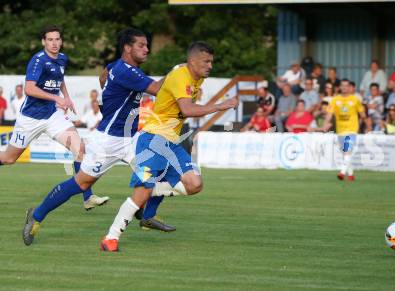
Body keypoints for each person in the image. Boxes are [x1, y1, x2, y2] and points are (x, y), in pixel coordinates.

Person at [21, 28, 167, 246]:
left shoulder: (115, 67)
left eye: (147, 45)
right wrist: (178, 72)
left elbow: (104, 76)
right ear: (128, 48)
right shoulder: (128, 72)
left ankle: (146, 216)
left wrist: (111, 98)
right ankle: (37, 215)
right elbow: (158, 89)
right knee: (80, 183)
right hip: (108, 140)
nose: (147, 49)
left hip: (132, 138)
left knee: (159, 167)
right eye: (141, 45)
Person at [99, 41, 238, 252]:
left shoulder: (195, 78)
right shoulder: (181, 77)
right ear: (192, 61)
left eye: (211, 61)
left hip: (170, 142)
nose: (210, 65)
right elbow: (187, 109)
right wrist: (220, 106)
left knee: (194, 184)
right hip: (153, 140)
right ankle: (111, 237)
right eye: (206, 61)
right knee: (140, 195)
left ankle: (151, 190)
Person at [0, 25, 107, 211]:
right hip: (30, 118)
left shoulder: (62, 59)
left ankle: (87, 198)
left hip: (52, 115)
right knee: (9, 159)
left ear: (61, 41)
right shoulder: (38, 60)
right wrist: (56, 97)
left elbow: (60, 78)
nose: (54, 43)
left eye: (57, 39)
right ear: (43, 41)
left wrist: (66, 96)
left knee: (79, 148)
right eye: (50, 39)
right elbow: (29, 89)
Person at [321, 79, 366, 181]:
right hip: (340, 130)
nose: (345, 87)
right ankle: (351, 175)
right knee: (345, 153)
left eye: (347, 86)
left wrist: (365, 123)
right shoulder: (335, 100)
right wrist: (325, 124)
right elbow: (329, 114)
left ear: (349, 87)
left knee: (347, 151)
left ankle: (342, 172)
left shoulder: (355, 99)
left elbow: (362, 113)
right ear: (340, 87)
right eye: (343, 85)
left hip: (352, 130)